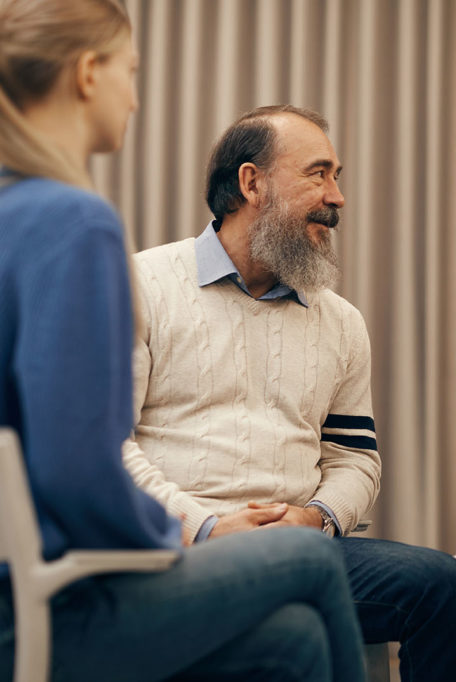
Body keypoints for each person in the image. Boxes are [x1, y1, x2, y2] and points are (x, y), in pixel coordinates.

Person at [0, 1, 365, 681]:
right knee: (311, 559)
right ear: (86, 75)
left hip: (31, 584)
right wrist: (184, 538)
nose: (135, 99)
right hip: (48, 604)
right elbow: (77, 471)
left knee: (292, 641)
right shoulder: (73, 222)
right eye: (130, 72)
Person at [123, 104, 456, 682]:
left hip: (304, 549)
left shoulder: (340, 321)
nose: (338, 196)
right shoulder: (141, 286)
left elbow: (355, 459)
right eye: (318, 174)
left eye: (336, 177)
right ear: (252, 184)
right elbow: (106, 449)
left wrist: (317, 519)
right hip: (177, 550)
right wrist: (206, 527)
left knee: (444, 585)